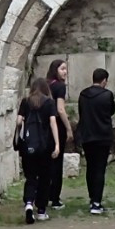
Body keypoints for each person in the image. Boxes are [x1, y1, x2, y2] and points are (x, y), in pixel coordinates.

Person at [14, 75, 61, 223]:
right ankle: (41, 210)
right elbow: (53, 122)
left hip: (29, 147)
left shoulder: (26, 102)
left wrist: (19, 134)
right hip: (45, 146)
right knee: (45, 178)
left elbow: (19, 120)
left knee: (31, 177)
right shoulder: (49, 103)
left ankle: (28, 203)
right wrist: (57, 144)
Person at [74, 67, 115, 214]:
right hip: (102, 136)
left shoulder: (83, 95)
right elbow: (111, 111)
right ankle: (97, 203)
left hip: (87, 136)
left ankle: (92, 198)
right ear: (104, 80)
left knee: (91, 168)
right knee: (100, 168)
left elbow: (81, 112)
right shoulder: (107, 95)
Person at [43, 60, 72, 209]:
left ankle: (43, 195)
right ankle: (55, 198)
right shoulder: (60, 87)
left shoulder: (46, 85)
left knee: (45, 163)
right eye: (62, 69)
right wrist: (68, 128)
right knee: (57, 162)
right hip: (57, 128)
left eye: (66, 69)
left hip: (44, 128)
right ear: (55, 70)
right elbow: (60, 109)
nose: (65, 72)